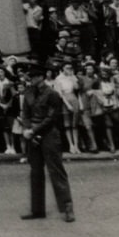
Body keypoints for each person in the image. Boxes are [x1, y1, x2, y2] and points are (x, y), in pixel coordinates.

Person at [19, 67, 75, 222]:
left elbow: (52, 117)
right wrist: (26, 129)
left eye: (35, 76)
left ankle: (67, 208)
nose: (31, 79)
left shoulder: (52, 94)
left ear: (42, 77)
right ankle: (37, 210)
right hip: (33, 134)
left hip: (49, 134)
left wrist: (33, 130)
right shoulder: (28, 93)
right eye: (30, 76)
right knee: (35, 171)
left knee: (56, 171)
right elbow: (25, 114)